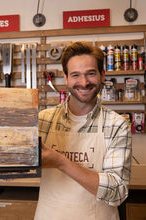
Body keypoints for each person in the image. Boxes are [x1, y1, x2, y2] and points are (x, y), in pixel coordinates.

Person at [34, 41, 132, 220]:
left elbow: (117, 192)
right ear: (65, 78)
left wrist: (60, 161)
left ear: (102, 75)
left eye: (91, 74)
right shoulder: (43, 120)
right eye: (75, 75)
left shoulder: (117, 125)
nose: (84, 82)